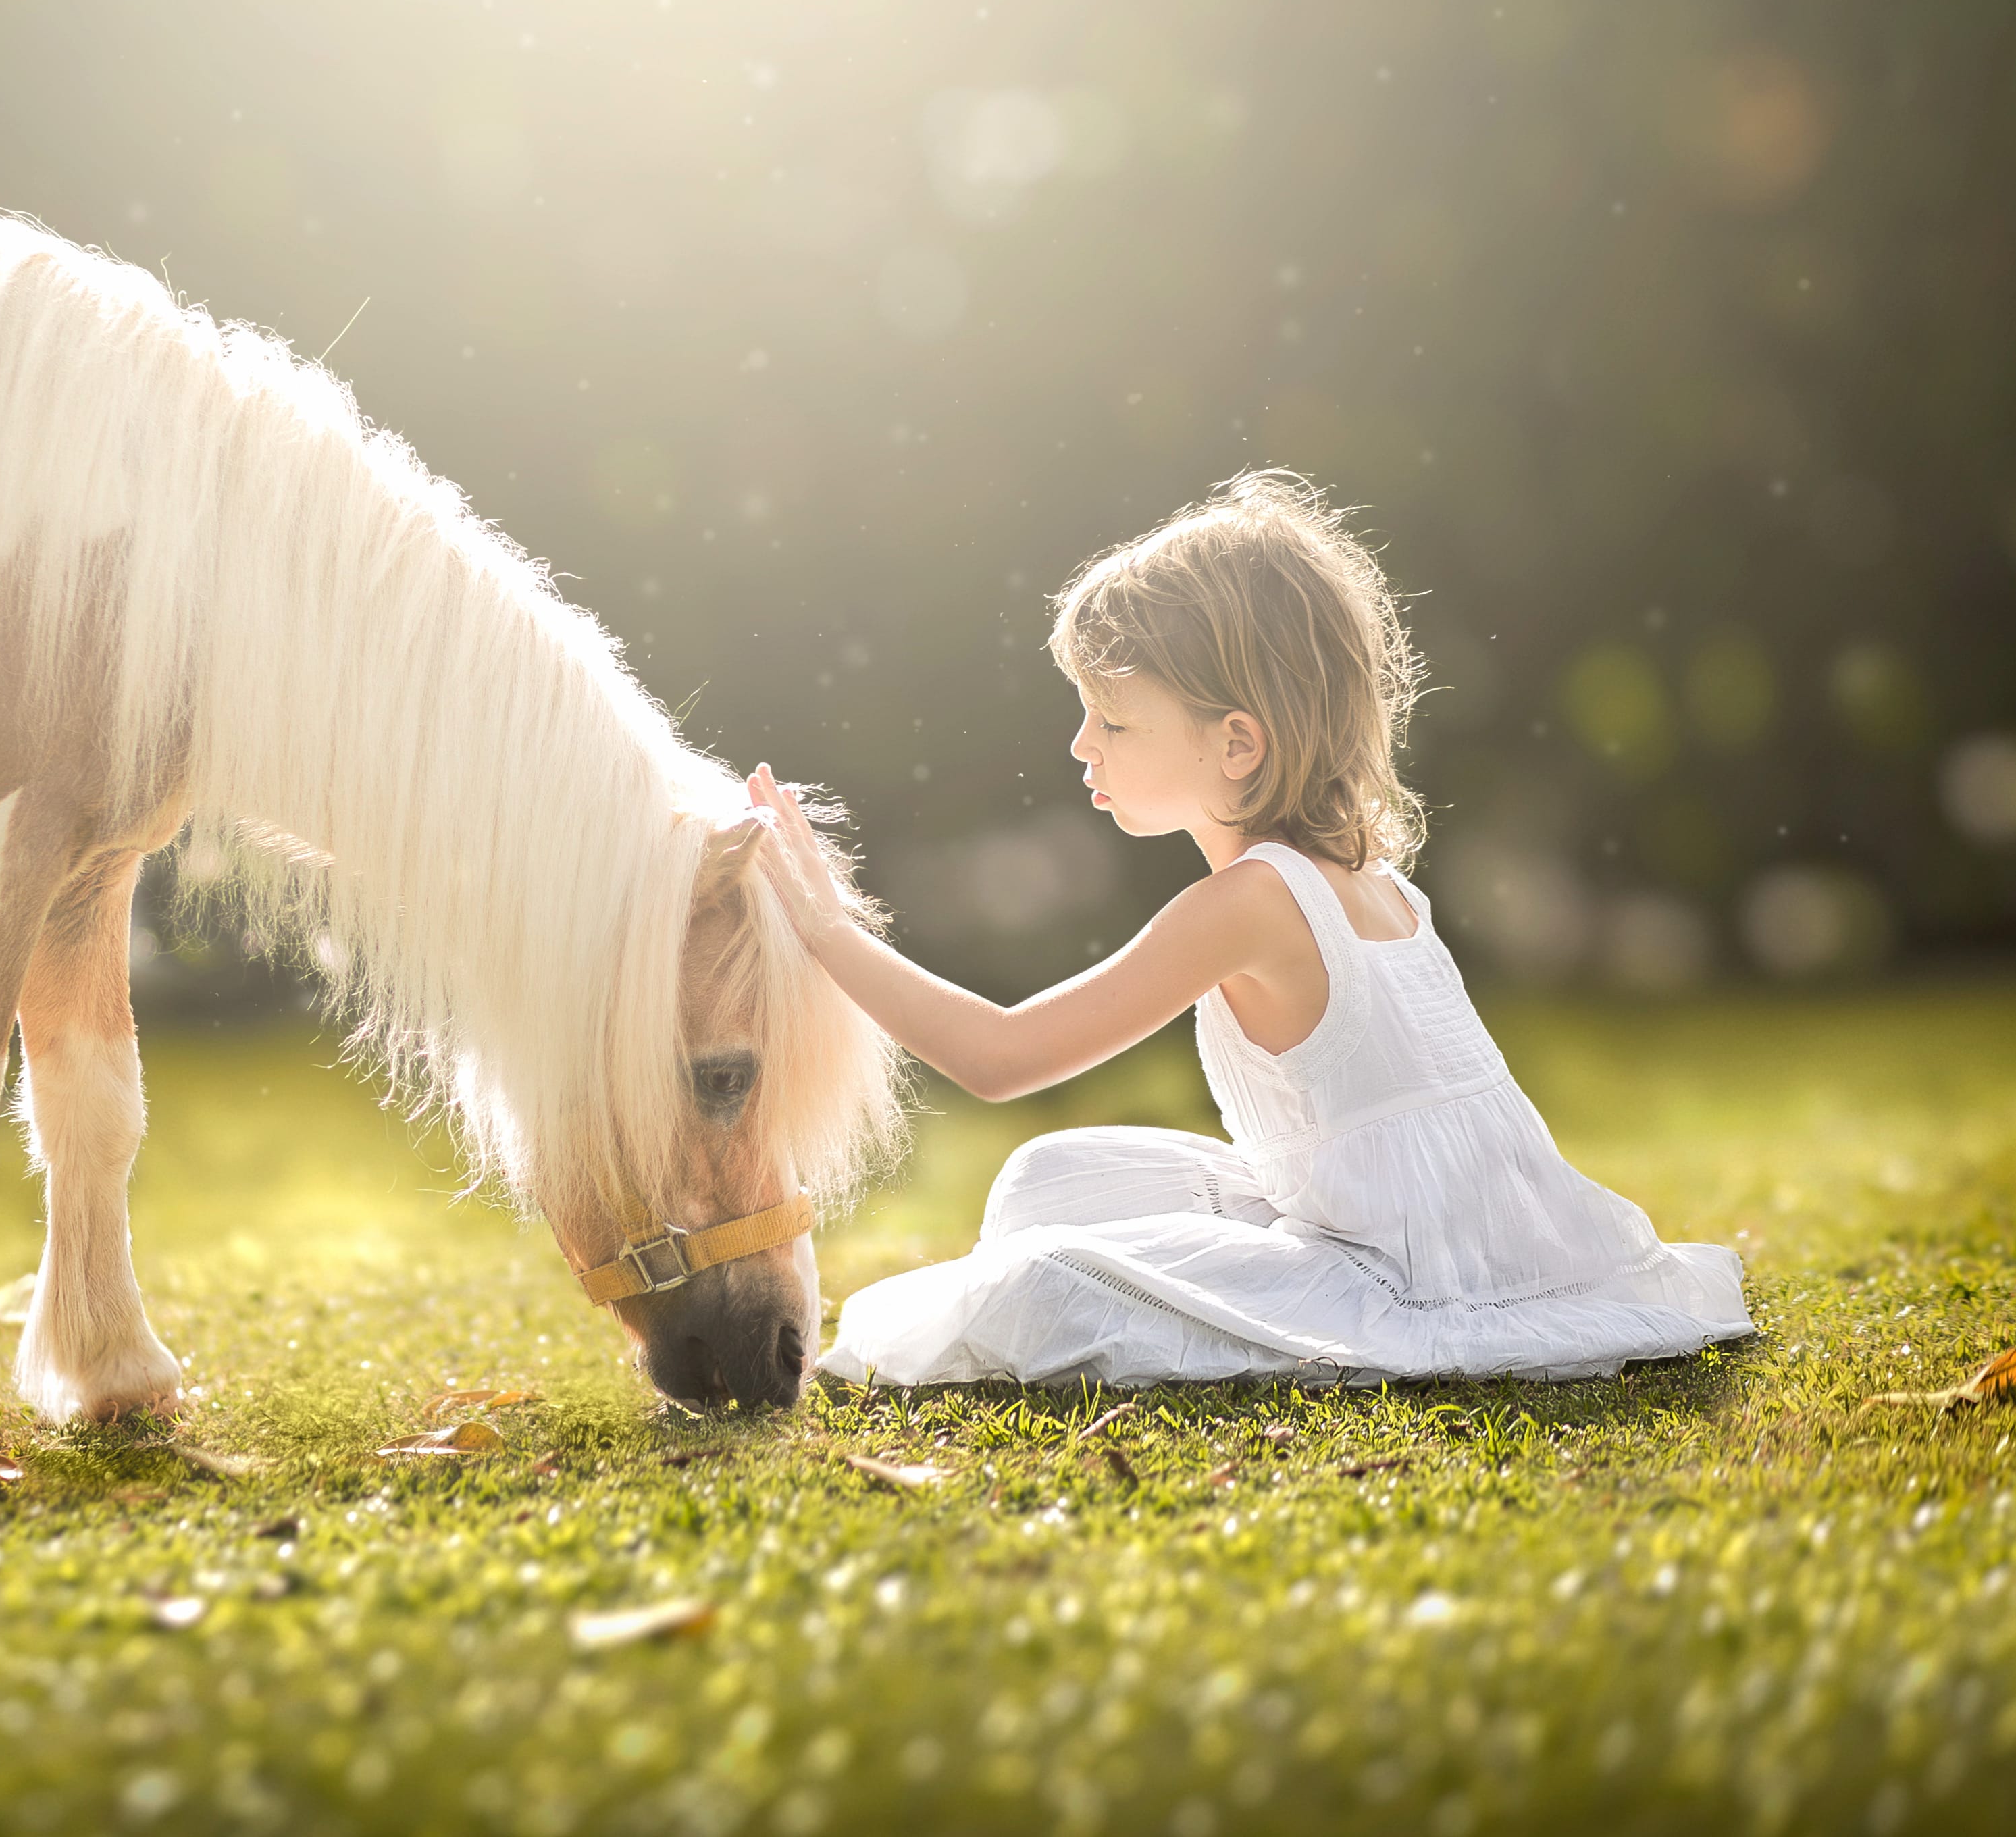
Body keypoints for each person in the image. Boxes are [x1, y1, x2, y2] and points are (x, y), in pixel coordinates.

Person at [744, 471, 1751, 1387]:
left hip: (1409, 1278)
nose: (1079, 744)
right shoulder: (1368, 880)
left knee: (1038, 1283)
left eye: (1114, 722)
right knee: (1047, 1178)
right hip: (1425, 1228)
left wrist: (829, 932)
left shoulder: (1249, 904)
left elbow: (1001, 1058)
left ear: (1235, 743)